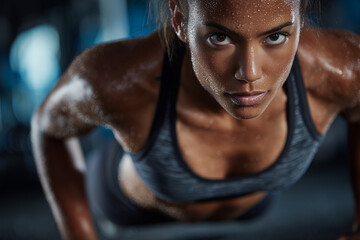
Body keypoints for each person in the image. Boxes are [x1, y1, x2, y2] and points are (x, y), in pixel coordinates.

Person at [31, 0, 360, 239]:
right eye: (220, 37)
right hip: (128, 207)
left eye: (275, 37)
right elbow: (48, 128)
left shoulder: (340, 70)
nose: (250, 73)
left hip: (249, 210)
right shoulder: (119, 79)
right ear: (178, 18)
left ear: (300, 19)